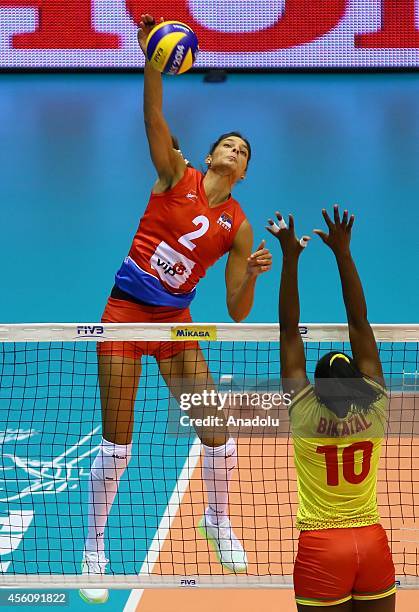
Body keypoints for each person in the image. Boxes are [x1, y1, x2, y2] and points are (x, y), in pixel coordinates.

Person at [79, 13, 272, 604]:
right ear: (210, 155)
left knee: (219, 430)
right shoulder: (173, 174)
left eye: (243, 152)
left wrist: (258, 274)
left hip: (175, 325)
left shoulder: (238, 227)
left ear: (243, 172)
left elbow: (237, 311)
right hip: (123, 313)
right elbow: (152, 117)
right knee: (119, 442)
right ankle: (93, 546)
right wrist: (153, 62)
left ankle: (218, 520)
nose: (234, 152)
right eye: (228, 144)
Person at [267, 205, 396, 611]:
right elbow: (359, 321)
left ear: (316, 387)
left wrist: (290, 258)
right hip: (372, 544)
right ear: (358, 379)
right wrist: (343, 253)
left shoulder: (304, 410)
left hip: (323, 547)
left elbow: (289, 329)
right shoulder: (375, 403)